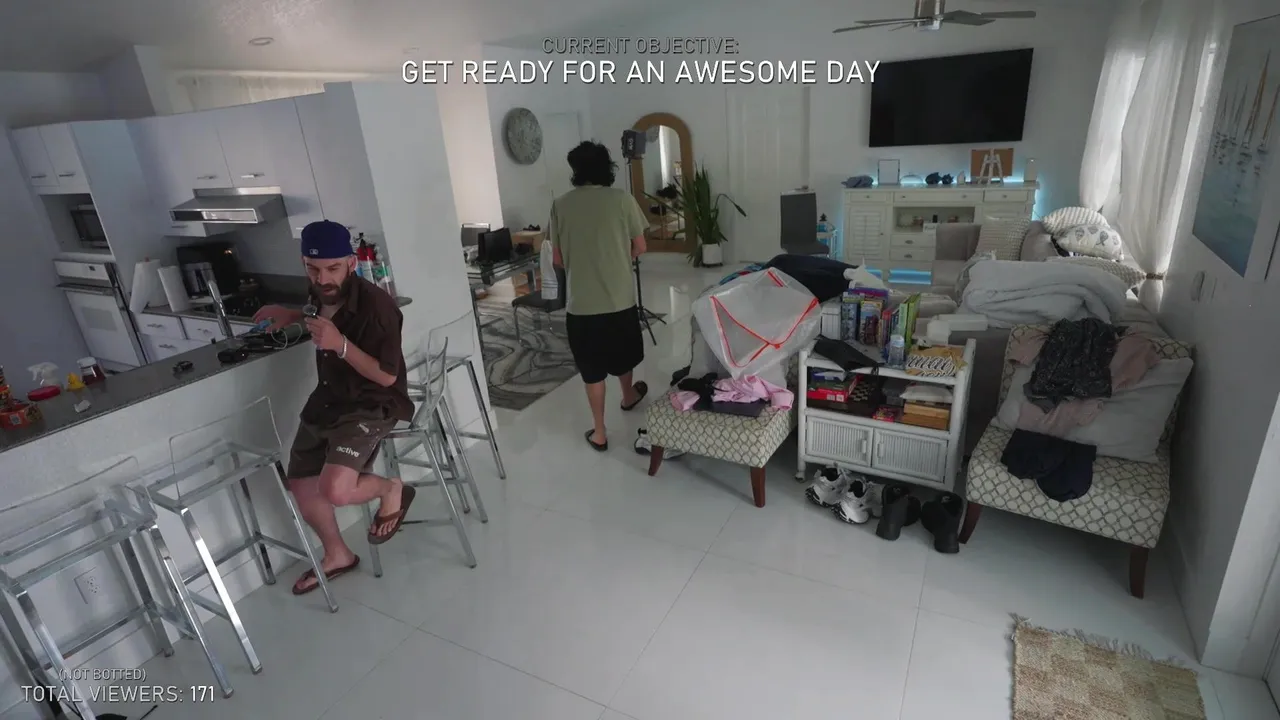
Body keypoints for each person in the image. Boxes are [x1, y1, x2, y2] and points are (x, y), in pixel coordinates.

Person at [253, 220, 417, 595]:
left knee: (337, 492)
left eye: (332, 268)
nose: (323, 278)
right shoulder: (319, 291)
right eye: (313, 269)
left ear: (352, 263)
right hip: (329, 399)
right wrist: (293, 315)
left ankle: (391, 488)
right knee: (301, 483)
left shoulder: (378, 307)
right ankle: (338, 554)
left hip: (371, 404)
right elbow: (320, 311)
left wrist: (340, 345)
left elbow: (387, 376)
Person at [549, 141, 650, 451]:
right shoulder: (622, 200)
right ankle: (628, 396)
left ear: (575, 171)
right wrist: (618, 259)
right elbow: (640, 246)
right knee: (622, 354)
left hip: (581, 306)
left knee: (591, 369)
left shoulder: (560, 205)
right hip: (619, 300)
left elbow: (558, 259)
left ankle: (600, 432)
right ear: (607, 168)